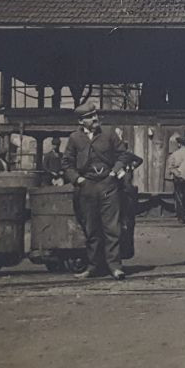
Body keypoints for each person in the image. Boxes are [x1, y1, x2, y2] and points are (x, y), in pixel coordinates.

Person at [61, 101, 129, 280]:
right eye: (90, 117)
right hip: (87, 186)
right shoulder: (75, 138)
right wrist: (77, 179)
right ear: (81, 122)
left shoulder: (109, 134)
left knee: (111, 228)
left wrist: (115, 172)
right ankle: (93, 267)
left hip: (108, 184)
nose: (95, 119)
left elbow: (123, 154)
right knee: (91, 229)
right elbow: (67, 163)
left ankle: (115, 267)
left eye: (95, 115)